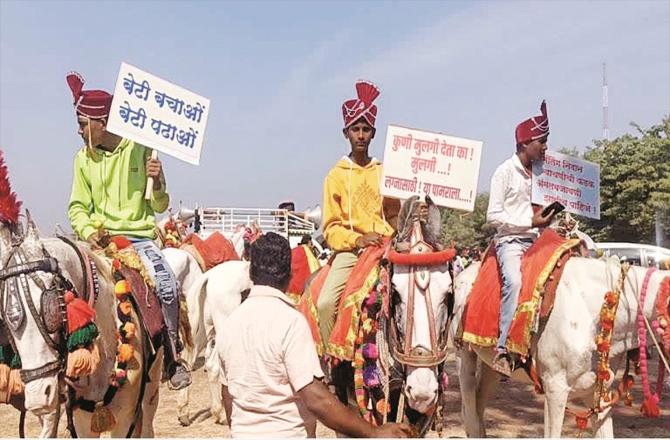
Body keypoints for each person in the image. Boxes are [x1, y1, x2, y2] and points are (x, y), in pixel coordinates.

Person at [65, 71, 191, 389]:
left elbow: (160, 205)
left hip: (139, 240)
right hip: (99, 241)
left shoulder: (143, 149)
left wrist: (159, 180)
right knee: (61, 292)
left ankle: (173, 359)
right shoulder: (82, 159)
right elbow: (77, 208)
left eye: (83, 124)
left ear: (102, 123)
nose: (79, 131)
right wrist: (89, 229)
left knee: (167, 287)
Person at [218, 232, 412, 438]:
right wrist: (373, 433)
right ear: (290, 275)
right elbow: (315, 398)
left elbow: (227, 395)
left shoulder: (229, 324)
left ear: (250, 272)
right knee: (326, 302)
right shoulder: (290, 322)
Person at [317, 80, 399, 350]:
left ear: (373, 134)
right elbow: (330, 228)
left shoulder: (385, 172)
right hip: (351, 252)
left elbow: (393, 215)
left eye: (366, 129)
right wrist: (358, 240)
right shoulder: (335, 176)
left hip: (385, 249)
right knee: (326, 302)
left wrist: (408, 222)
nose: (361, 135)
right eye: (356, 129)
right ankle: (331, 364)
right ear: (346, 133)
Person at [486, 100, 558, 376]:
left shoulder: (545, 173)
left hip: (540, 239)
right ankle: (503, 349)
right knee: (515, 282)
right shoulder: (504, 172)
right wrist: (529, 221)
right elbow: (492, 216)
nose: (545, 147)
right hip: (511, 241)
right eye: (542, 141)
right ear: (524, 144)